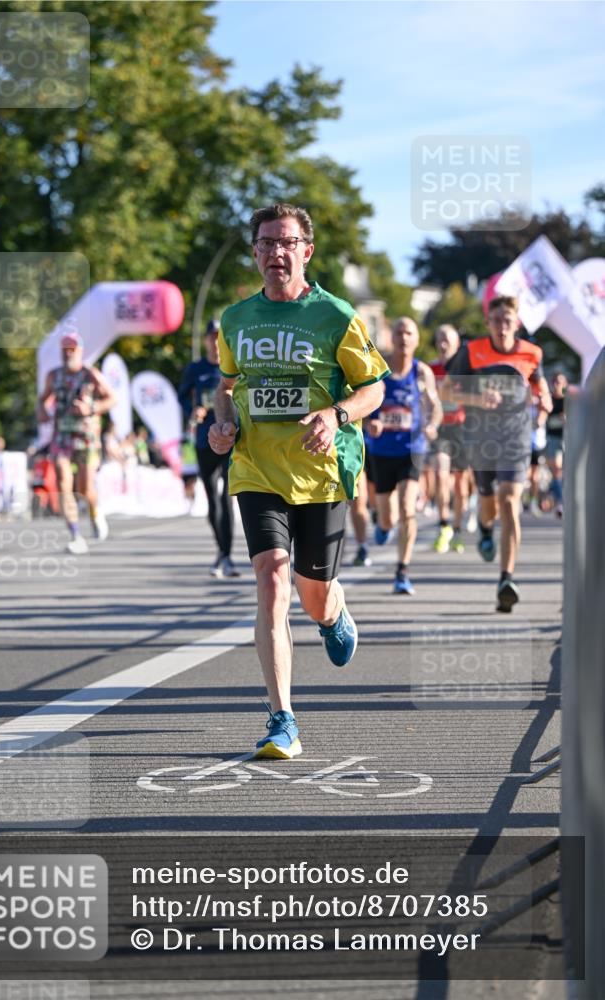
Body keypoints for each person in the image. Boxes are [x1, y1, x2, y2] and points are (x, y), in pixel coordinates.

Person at [208, 203, 388, 759]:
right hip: (257, 468)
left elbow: (375, 388)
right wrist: (223, 424)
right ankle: (282, 718)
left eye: (286, 243)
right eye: (266, 243)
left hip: (321, 473)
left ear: (306, 251)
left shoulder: (335, 315)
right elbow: (226, 385)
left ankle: (333, 612)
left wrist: (335, 415)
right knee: (270, 579)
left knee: (313, 598)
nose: (276, 253)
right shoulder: (236, 319)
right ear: (255, 253)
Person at [444, 296, 552, 611]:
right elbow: (445, 390)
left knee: (509, 501)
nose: (502, 326)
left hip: (515, 439)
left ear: (516, 323)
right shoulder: (471, 352)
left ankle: (506, 579)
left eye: (508, 320)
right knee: (489, 505)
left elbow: (540, 386)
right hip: (480, 440)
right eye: (496, 320)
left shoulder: (532, 353)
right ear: (488, 323)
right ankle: (486, 529)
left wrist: (545, 401)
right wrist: (478, 398)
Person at [364, 317, 442, 595]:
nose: (403, 337)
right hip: (382, 449)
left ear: (417, 339)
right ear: (391, 338)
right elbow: (362, 401)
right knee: (388, 516)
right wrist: (368, 422)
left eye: (409, 333)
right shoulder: (378, 366)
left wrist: (432, 425)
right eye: (398, 332)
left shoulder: (422, 372)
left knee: (408, 508)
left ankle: (402, 571)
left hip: (412, 448)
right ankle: (383, 524)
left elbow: (435, 406)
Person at [38, 332, 116, 554]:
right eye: (65, 349)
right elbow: (43, 399)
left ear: (80, 351)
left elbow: (112, 399)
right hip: (61, 436)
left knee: (85, 488)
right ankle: (75, 534)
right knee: (63, 483)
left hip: (86, 437)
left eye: (72, 348)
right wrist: (42, 411)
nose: (68, 353)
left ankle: (95, 511)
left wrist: (91, 408)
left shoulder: (90, 374)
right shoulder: (54, 376)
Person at [178, 319, 240, 578]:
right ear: (205, 340)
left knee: (227, 497)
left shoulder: (233, 365)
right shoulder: (196, 369)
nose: (215, 342)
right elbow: (182, 396)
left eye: (219, 337)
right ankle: (221, 551)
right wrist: (193, 410)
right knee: (212, 499)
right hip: (204, 440)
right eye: (211, 337)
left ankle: (227, 556)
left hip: (230, 439)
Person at [430, 324, 469, 553]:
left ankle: (458, 529)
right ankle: (444, 525)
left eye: (447, 340)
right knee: (440, 474)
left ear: (456, 344)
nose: (443, 344)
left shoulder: (466, 369)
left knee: (461, 486)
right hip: (440, 429)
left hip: (462, 429)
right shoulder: (430, 369)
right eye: (439, 339)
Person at [546, 371, 567, 517]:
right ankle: (560, 501)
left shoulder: (568, 400)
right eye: (554, 382)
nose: (556, 385)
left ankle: (562, 501)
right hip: (552, 438)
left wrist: (567, 417)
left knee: (561, 470)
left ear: (564, 384)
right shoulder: (549, 399)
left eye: (559, 382)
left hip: (566, 439)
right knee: (555, 471)